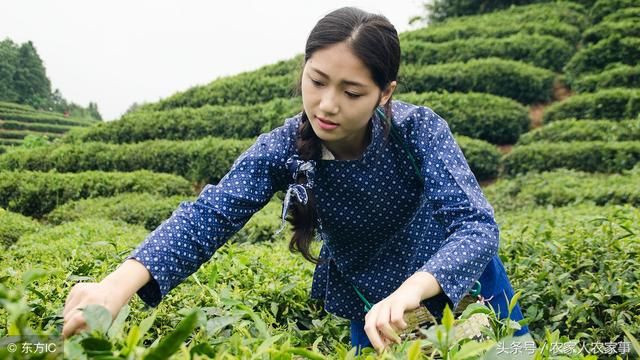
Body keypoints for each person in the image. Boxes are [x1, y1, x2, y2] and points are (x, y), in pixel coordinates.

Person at [62, 6, 530, 354]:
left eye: (351, 92)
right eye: (317, 81)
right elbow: (209, 215)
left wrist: (413, 289)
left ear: (385, 93)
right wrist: (114, 288)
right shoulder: (282, 149)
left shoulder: (418, 130)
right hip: (374, 309)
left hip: (461, 281)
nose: (327, 104)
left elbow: (477, 226)